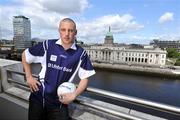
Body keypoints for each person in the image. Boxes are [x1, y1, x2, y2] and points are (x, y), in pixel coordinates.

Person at [22, 18, 96, 120]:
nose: (67, 34)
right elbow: (25, 56)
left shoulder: (81, 53)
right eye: (63, 30)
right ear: (59, 31)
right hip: (38, 98)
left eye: (70, 30)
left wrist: (74, 94)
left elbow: (85, 78)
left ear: (75, 32)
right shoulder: (48, 45)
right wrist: (29, 76)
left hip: (60, 103)